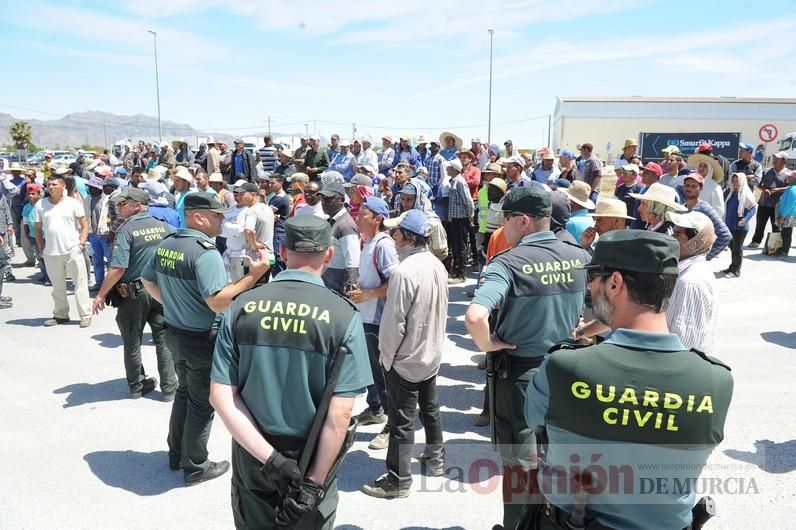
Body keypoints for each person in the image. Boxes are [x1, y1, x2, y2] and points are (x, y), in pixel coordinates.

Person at [523, 230, 733, 530]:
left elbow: (534, 422)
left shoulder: (562, 367)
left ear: (615, 283)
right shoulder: (716, 381)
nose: (590, 288)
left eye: (592, 278)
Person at [209, 214, 372, 529]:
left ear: (282, 253)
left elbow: (222, 396)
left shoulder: (242, 307)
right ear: (328, 255)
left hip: (253, 449)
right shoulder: (344, 315)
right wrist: (313, 483)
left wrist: (270, 459)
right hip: (311, 454)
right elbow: (340, 416)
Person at [465, 187, 589, 529]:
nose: (501, 227)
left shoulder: (508, 262)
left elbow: (476, 316)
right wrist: (582, 329)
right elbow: (608, 309)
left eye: (505, 220)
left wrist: (488, 345)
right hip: (566, 370)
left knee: (520, 467)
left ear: (522, 220)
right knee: (560, 460)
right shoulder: (580, 255)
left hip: (520, 377)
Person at [141, 193, 270, 486]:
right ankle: (196, 464)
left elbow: (147, 280)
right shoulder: (205, 252)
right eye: (217, 215)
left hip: (174, 332)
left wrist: (173, 306)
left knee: (186, 393)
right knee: (202, 402)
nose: (222, 220)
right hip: (201, 338)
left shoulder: (167, 244)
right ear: (198, 217)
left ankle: (177, 453)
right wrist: (254, 275)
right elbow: (217, 301)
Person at [362, 209, 448, 499]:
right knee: (430, 408)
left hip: (406, 357)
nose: (393, 237)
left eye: (396, 233)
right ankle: (435, 459)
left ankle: (398, 480)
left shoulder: (404, 271)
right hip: (431, 351)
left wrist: (387, 359)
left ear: (409, 237)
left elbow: (393, 323)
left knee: (401, 420)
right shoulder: (436, 264)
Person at [90, 187, 177, 399]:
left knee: (131, 341)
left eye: (123, 204)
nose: (118, 207)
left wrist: (101, 293)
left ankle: (136, 386)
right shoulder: (165, 227)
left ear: (137, 206)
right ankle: (169, 388)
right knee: (163, 340)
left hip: (134, 295)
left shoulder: (126, 231)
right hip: (160, 291)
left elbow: (118, 268)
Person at [348, 197, 399, 449]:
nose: (357, 217)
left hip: (378, 319)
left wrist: (367, 294)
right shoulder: (368, 243)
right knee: (369, 370)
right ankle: (375, 408)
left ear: (377, 219)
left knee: (383, 374)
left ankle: (392, 425)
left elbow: (395, 283)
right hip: (366, 315)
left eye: (362, 214)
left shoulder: (383, 245)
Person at [34, 173, 92, 328]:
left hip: (72, 250)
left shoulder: (73, 203)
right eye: (49, 184)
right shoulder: (41, 204)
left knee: (80, 285)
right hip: (51, 252)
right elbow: (38, 228)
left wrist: (81, 244)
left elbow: (84, 225)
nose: (51, 187)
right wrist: (41, 248)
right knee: (57, 287)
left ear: (63, 186)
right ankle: (60, 315)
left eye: (54, 184)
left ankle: (85, 315)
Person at [666, 210, 718, 354]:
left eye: (677, 235)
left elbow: (683, 343)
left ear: (695, 242)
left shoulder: (690, 281)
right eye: (673, 233)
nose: (671, 238)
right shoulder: (687, 272)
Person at [320, 182, 360, 295]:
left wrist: (348, 293)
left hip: (337, 290)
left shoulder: (346, 225)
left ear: (341, 200)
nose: (323, 203)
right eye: (322, 199)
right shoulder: (332, 221)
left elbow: (353, 262)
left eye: (328, 199)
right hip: (329, 285)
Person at [682, 173, 731, 260]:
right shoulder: (680, 208)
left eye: (694, 186)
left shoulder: (705, 209)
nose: (689, 188)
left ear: (701, 189)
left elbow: (725, 235)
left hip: (695, 263)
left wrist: (707, 257)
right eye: (687, 185)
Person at [749, 151, 789, 249]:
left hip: (778, 205)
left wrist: (778, 190)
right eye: (774, 158)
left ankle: (774, 245)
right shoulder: (766, 171)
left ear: (784, 161)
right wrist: (764, 189)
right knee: (760, 224)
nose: (774, 160)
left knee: (776, 226)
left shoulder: (789, 174)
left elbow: (792, 188)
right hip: (764, 203)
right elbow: (758, 183)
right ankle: (756, 241)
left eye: (777, 158)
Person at [238, 182, 275, 282]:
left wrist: (254, 244)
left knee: (253, 293)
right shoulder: (267, 208)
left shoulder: (251, 211)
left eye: (242, 194)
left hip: (255, 260)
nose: (239, 197)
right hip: (269, 257)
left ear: (253, 194)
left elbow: (248, 230)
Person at [723, 172, 757, 276]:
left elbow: (753, 208)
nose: (734, 183)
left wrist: (745, 219)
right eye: (733, 181)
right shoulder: (730, 193)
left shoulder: (745, 194)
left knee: (737, 249)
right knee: (732, 247)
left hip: (740, 227)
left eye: (736, 180)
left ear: (742, 181)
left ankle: (736, 270)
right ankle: (732, 267)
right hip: (729, 225)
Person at [446, 157, 474, 283]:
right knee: (456, 246)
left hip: (461, 219)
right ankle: (457, 271)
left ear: (454, 169)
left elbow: (468, 201)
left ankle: (461, 274)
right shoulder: (454, 181)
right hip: (455, 219)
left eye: (449, 167)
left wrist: (470, 216)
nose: (447, 169)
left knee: (461, 246)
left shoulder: (460, 182)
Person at [83, 176, 112, 289]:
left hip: (105, 235)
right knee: (97, 260)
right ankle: (99, 282)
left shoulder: (107, 199)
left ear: (100, 188)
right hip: (93, 235)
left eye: (93, 187)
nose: (91, 189)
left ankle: (110, 285)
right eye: (90, 187)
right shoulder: (87, 199)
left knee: (110, 260)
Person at [776, 170, 796, 257]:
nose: (787, 178)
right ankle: (782, 249)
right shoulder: (790, 188)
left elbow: (789, 204)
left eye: (789, 177)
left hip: (788, 215)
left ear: (793, 179)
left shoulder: (793, 189)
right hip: (786, 214)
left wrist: (782, 215)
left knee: (787, 233)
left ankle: (785, 251)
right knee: (784, 232)